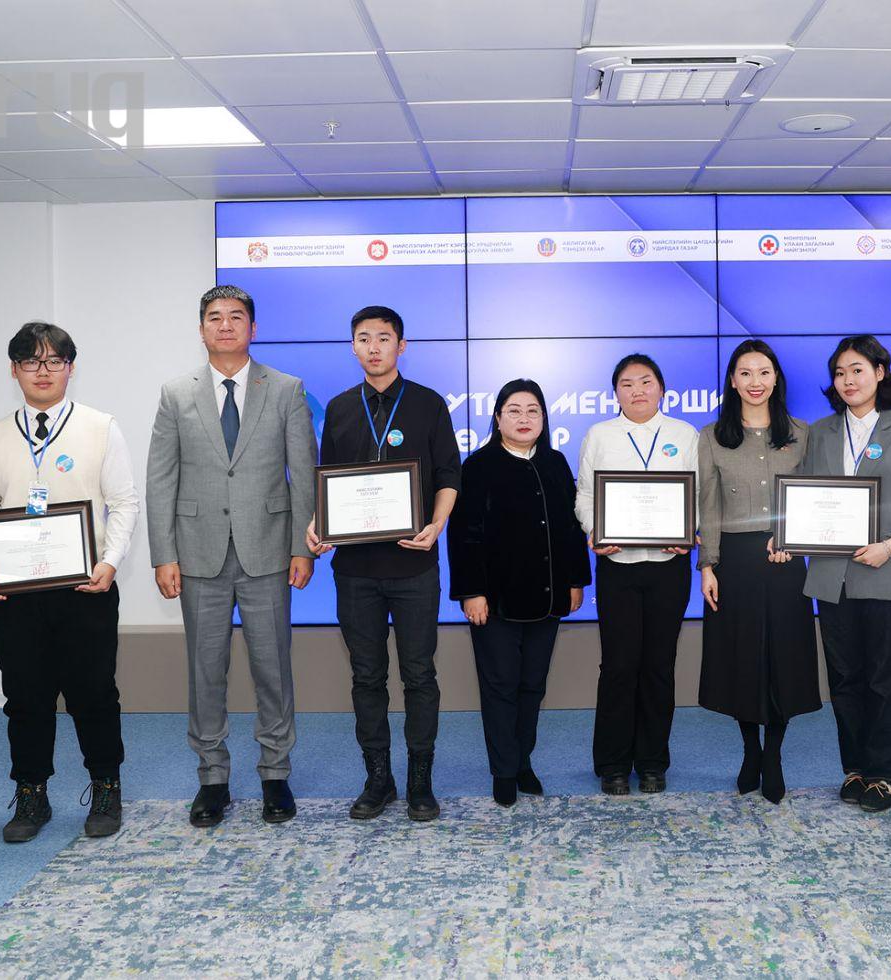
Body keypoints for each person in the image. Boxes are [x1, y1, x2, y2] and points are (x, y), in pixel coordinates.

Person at [146, 285, 317, 829]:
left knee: (273, 668)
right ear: (201, 330)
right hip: (198, 554)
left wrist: (302, 547)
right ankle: (212, 778)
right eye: (215, 317)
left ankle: (275, 774)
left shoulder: (286, 389)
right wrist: (163, 554)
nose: (225, 325)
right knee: (205, 671)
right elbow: (160, 479)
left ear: (253, 328)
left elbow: (303, 474)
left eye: (236, 317)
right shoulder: (176, 393)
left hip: (269, 549)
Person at [0, 322, 140, 842]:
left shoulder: (101, 427)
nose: (42, 371)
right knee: (25, 696)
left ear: (70, 367)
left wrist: (111, 561)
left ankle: (106, 786)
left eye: (54, 361)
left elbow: (124, 502)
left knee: (94, 693)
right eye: (30, 361)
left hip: (85, 587)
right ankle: (31, 793)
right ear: (14, 370)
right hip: (13, 593)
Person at [307, 305, 461, 822]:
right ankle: (379, 779)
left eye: (384, 337)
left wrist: (437, 524)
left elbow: (449, 474)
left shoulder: (427, 404)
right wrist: (318, 524)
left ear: (401, 345)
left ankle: (420, 780)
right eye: (363, 338)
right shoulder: (339, 407)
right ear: (353, 346)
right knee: (366, 677)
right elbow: (327, 481)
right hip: (356, 571)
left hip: (414, 566)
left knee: (419, 675)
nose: (373, 347)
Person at [787, 335, 891, 812]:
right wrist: (787, 534)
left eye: (857, 370)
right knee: (844, 677)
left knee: (884, 678)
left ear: (880, 373)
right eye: (840, 373)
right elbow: (806, 497)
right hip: (833, 577)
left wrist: (889, 545)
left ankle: (886, 773)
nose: (848, 380)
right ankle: (854, 768)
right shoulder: (821, 432)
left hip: (887, 570)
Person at [448, 379, 591, 807]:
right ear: (498, 418)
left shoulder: (555, 463)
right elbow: (464, 536)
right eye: (514, 410)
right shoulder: (478, 466)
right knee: (500, 686)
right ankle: (503, 771)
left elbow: (571, 529)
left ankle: (522, 760)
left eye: (533, 411)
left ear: (544, 418)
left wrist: (576, 581)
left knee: (532, 686)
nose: (524, 418)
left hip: (547, 597)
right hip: (495, 602)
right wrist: (471, 592)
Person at [696, 340, 818, 805]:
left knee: (784, 657)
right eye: (745, 373)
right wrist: (707, 565)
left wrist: (793, 538)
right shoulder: (713, 436)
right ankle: (750, 749)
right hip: (735, 560)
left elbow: (814, 496)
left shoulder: (801, 433)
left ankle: (774, 755)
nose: (755, 382)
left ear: (775, 378)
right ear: (732, 380)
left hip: (786, 560)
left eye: (763, 372)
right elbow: (708, 505)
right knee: (741, 658)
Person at [575, 354, 699, 796]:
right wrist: (594, 530)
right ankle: (612, 764)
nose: (637, 391)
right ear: (616, 393)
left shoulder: (684, 434)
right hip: (617, 566)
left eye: (646, 382)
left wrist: (689, 531)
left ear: (661, 389)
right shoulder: (600, 435)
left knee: (659, 665)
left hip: (669, 566)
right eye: (627, 384)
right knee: (619, 664)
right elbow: (584, 495)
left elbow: (699, 495)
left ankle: (652, 762)